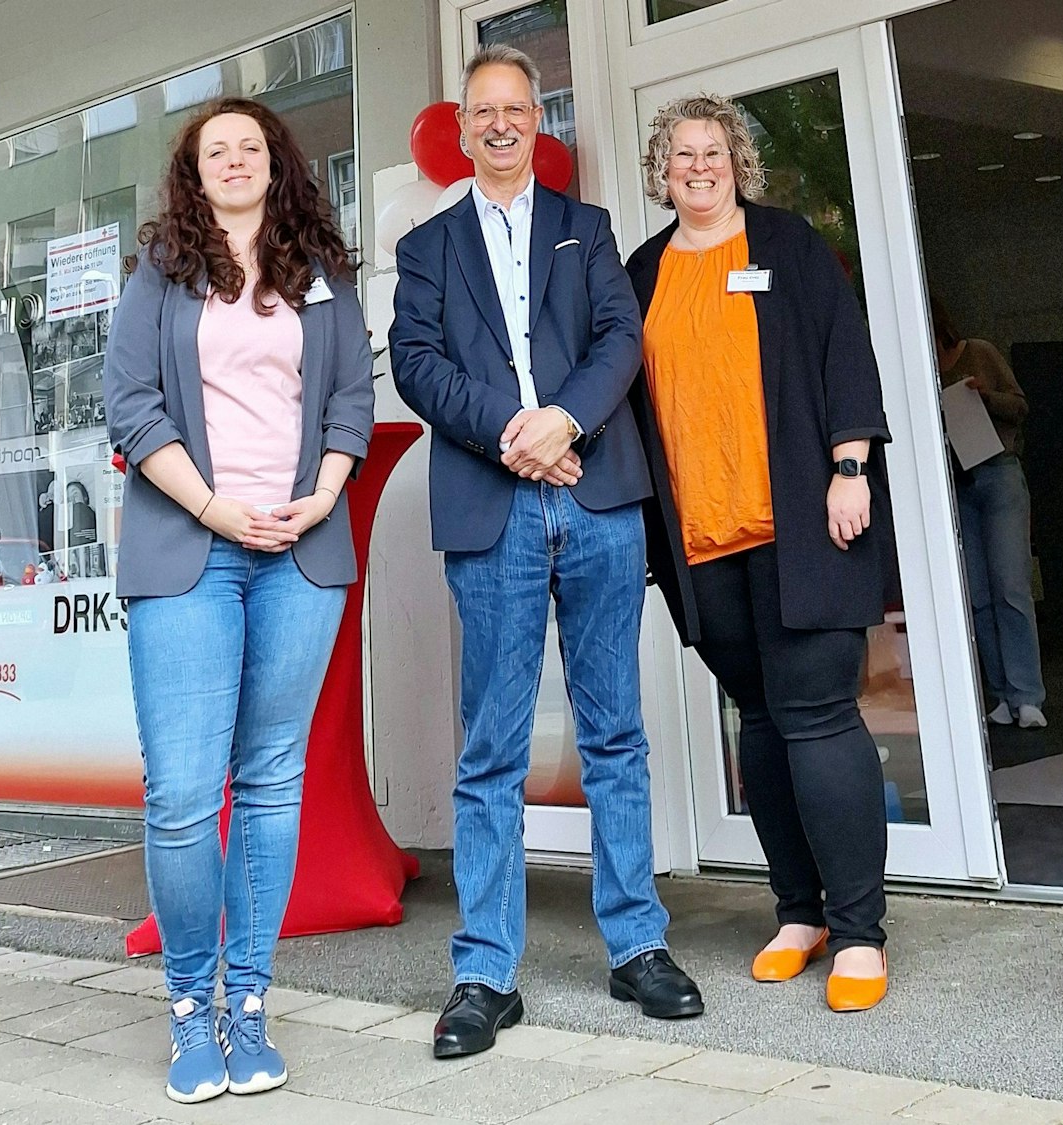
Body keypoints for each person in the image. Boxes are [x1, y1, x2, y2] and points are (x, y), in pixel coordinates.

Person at [390, 45, 703, 1060]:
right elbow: (416, 365)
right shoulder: (428, 246)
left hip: (598, 500)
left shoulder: (587, 230)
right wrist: (515, 433)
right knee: (491, 750)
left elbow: (621, 339)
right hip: (494, 507)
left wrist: (563, 420)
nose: (498, 124)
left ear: (538, 120)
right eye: (480, 110)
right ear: (462, 127)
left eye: (514, 108)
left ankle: (636, 946)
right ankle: (484, 970)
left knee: (614, 731)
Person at [103, 96, 374, 1104]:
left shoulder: (321, 276)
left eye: (247, 146)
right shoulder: (160, 275)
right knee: (181, 794)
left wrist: (323, 496)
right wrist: (217, 508)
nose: (231, 160)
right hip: (189, 548)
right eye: (212, 149)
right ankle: (189, 1010)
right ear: (193, 170)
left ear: (275, 164)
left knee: (268, 778)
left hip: (299, 550)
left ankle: (249, 1001)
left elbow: (352, 396)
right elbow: (129, 402)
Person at [625, 93, 893, 1013]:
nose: (699, 166)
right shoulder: (641, 270)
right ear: (662, 171)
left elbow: (843, 352)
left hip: (805, 527)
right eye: (681, 154)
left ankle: (860, 931)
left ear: (739, 162)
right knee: (764, 720)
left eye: (714, 152)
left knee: (817, 714)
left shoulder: (786, 244)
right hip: (699, 543)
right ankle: (799, 912)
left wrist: (851, 461)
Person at [932, 303, 1046, 730]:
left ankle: (1027, 694)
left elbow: (1020, 406)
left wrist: (984, 396)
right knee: (978, 593)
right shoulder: (924, 367)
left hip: (997, 472)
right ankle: (1001, 692)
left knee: (1010, 586)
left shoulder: (978, 351)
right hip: (958, 481)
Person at [66, 479, 103, 576]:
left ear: (85, 497)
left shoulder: (92, 513)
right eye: (68, 499)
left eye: (75, 494)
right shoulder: (67, 518)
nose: (73, 499)